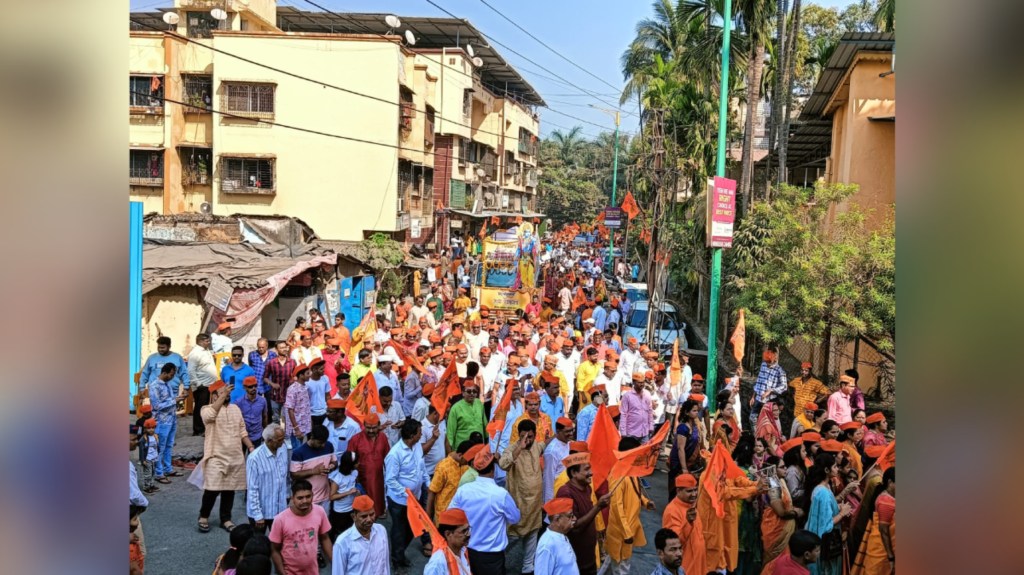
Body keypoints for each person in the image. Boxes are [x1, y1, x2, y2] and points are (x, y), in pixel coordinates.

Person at [448, 445, 521, 575]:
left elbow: (450, 515)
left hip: (466, 551)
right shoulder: (501, 494)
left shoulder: (463, 490)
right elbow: (515, 518)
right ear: (493, 469)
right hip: (491, 557)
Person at [196, 380, 254, 534]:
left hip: (234, 456)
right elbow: (209, 417)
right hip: (215, 456)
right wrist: (223, 396)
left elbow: (242, 431)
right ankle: (203, 516)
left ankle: (225, 519)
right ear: (214, 395)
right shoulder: (206, 409)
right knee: (212, 489)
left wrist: (251, 447)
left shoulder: (235, 409)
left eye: (227, 392)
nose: (226, 394)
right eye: (222, 392)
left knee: (230, 490)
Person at [498, 418, 546, 574]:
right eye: (524, 436)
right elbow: (503, 464)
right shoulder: (511, 450)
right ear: (519, 435)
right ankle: (498, 565)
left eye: (531, 437)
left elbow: (544, 444)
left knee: (532, 539)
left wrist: (554, 436)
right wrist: (520, 447)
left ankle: (527, 568)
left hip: (534, 508)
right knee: (509, 541)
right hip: (518, 508)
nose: (528, 440)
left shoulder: (536, 447)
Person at [555, 452, 611, 575]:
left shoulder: (587, 488)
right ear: (574, 473)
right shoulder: (565, 492)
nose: (591, 472)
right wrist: (598, 507)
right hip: (574, 562)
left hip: (589, 557)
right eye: (586, 469)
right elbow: (573, 528)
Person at [606, 438, 655, 575]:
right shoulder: (618, 474)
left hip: (629, 526)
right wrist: (626, 532)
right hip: (621, 530)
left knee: (613, 562)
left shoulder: (630, 470)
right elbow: (617, 506)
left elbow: (635, 491)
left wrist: (645, 502)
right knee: (621, 567)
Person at [384, 418, 428, 567]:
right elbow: (390, 480)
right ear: (411, 435)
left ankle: (400, 553)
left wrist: (428, 484)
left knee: (412, 528)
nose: (421, 435)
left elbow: (422, 468)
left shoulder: (417, 447)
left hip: (415, 498)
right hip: (399, 501)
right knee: (399, 530)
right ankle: (397, 561)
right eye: (419, 433)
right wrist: (406, 493)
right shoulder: (394, 454)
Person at [270, 479, 333, 575]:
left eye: (308, 496)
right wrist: (282, 573)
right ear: (292, 498)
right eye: (300, 498)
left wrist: (336, 563)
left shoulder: (320, 511)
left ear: (312, 495)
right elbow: (274, 550)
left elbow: (325, 538)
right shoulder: (280, 520)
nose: (305, 501)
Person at [804, 453, 854, 575]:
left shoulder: (824, 487)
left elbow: (825, 512)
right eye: (835, 466)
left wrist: (837, 507)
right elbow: (826, 525)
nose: (837, 469)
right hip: (825, 543)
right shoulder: (823, 492)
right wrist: (842, 513)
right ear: (827, 470)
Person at [761, 449, 805, 564]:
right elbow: (781, 512)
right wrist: (796, 512)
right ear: (773, 469)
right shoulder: (772, 484)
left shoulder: (780, 481)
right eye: (782, 467)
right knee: (774, 564)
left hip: (784, 528)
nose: (786, 469)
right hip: (776, 530)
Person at [246, 423, 289, 534]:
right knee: (259, 545)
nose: (283, 442)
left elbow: (285, 477)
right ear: (269, 441)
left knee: (279, 544)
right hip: (262, 513)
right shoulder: (254, 458)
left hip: (280, 511)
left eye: (283, 439)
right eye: (279, 440)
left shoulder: (283, 449)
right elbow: (252, 489)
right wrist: (257, 515)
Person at [851, 467, 895, 575]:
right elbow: (883, 531)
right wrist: (891, 557)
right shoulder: (885, 502)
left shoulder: (888, 497)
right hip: (882, 551)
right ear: (890, 482)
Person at [332, 495, 390, 574]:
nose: (369, 519)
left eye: (372, 514)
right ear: (354, 517)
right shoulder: (342, 543)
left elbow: (385, 563)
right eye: (364, 516)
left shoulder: (381, 530)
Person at [347, 412, 390, 517]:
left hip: (379, 478)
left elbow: (388, 459)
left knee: (378, 503)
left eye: (374, 428)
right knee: (364, 508)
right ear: (364, 425)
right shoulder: (355, 439)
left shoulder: (383, 437)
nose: (371, 431)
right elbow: (350, 460)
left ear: (379, 425)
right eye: (368, 428)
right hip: (362, 479)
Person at [662, 474, 705, 575]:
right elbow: (674, 543)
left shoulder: (692, 506)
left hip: (697, 565)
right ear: (678, 491)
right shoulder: (672, 511)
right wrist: (688, 522)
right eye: (689, 491)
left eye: (695, 490)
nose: (694, 494)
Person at [149, 363, 184, 484]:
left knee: (169, 445)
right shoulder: (154, 386)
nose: (172, 377)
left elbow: (169, 400)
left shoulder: (167, 384)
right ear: (164, 373)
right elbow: (157, 406)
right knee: (160, 447)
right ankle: (159, 473)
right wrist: (174, 400)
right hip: (161, 421)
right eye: (171, 374)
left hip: (172, 419)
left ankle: (167, 469)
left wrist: (177, 399)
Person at [290, 425, 337, 512]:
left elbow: (334, 462)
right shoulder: (299, 453)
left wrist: (332, 466)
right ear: (312, 437)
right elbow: (294, 475)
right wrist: (313, 471)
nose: (323, 445)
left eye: (324, 442)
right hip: (307, 500)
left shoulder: (329, 446)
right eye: (320, 442)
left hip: (325, 497)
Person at [427, 439, 475, 524]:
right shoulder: (443, 467)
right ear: (460, 455)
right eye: (467, 460)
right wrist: (428, 520)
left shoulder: (464, 466)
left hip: (460, 515)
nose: (469, 463)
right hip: (444, 517)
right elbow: (432, 492)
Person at [535, 498, 580, 575]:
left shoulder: (561, 535)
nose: (574, 519)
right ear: (557, 519)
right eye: (570, 516)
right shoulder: (547, 545)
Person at [668, 399, 703, 498]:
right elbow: (680, 449)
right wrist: (684, 468)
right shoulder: (683, 428)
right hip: (678, 462)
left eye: (697, 410)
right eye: (694, 411)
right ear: (687, 412)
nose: (697, 413)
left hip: (689, 460)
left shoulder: (695, 425)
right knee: (676, 487)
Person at [423, 508, 473, 575]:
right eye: (463, 531)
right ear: (448, 534)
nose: (468, 534)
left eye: (468, 529)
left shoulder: (463, 549)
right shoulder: (437, 563)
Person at [188, 333, 219, 435]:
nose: (209, 342)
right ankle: (198, 430)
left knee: (207, 407)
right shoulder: (195, 353)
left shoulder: (205, 351)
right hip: (202, 385)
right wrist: (198, 383)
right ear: (200, 342)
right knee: (200, 408)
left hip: (209, 384)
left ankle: (205, 428)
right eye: (207, 341)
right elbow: (191, 371)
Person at [327, 451, 360, 541]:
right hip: (340, 512)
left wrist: (357, 492)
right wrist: (348, 492)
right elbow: (332, 497)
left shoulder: (355, 473)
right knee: (339, 534)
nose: (359, 463)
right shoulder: (337, 478)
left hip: (351, 508)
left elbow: (355, 485)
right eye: (356, 462)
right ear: (350, 464)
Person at [446, 380, 486, 452]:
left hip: (479, 447)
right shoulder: (455, 408)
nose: (472, 394)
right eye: (469, 391)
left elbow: (485, 425)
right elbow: (450, 434)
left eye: (474, 391)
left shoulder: (479, 404)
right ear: (463, 393)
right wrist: (450, 455)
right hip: (462, 450)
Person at [751, 349, 788, 425]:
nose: (767, 364)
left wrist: (771, 390)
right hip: (758, 399)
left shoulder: (780, 371)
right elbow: (759, 381)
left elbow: (784, 386)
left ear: (774, 359)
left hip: (769, 401)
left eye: (769, 362)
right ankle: (757, 436)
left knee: (768, 422)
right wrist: (753, 396)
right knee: (752, 419)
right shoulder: (763, 365)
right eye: (766, 361)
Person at [543, 418, 574, 503]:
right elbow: (548, 478)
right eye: (567, 431)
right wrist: (549, 503)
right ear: (558, 431)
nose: (571, 434)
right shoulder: (552, 451)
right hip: (558, 492)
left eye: (572, 430)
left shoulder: (569, 443)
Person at [264, 341, 297, 424]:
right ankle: (277, 436)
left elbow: (296, 376)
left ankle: (286, 437)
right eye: (281, 348)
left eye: (285, 347)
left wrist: (294, 380)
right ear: (276, 349)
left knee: (287, 418)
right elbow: (265, 378)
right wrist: (272, 384)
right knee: (275, 419)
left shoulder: (292, 362)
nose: (284, 349)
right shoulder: (271, 363)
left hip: (288, 395)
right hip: (275, 395)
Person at [284, 364, 313, 449]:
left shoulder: (306, 387)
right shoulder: (292, 389)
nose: (310, 375)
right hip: (297, 427)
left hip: (305, 426)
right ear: (301, 375)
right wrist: (296, 428)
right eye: (307, 373)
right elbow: (290, 410)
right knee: (297, 452)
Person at [235, 376, 269, 450]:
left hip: (257, 435)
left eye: (255, 386)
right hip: (243, 436)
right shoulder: (238, 402)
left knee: (256, 458)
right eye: (250, 386)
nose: (254, 388)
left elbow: (265, 416)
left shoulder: (262, 401)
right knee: (242, 459)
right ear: (245, 387)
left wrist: (265, 432)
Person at [619, 372, 653, 442]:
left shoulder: (647, 394)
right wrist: (623, 432)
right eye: (639, 382)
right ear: (634, 382)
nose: (642, 384)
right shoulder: (627, 396)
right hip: (631, 432)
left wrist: (651, 426)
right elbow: (623, 414)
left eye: (643, 382)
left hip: (645, 432)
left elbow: (650, 411)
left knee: (644, 452)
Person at [306, 358, 331, 427]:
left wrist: (330, 408)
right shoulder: (307, 382)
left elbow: (328, 395)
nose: (324, 371)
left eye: (323, 368)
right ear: (314, 370)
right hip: (311, 414)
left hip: (324, 412)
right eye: (321, 369)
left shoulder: (325, 378)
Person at [139, 419, 159, 493]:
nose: (151, 430)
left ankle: (151, 484)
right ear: (145, 429)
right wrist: (142, 460)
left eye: (152, 428)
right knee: (147, 473)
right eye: (149, 428)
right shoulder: (143, 439)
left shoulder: (155, 436)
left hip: (154, 457)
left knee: (153, 472)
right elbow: (141, 450)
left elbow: (157, 447)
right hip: (147, 459)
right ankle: (146, 487)